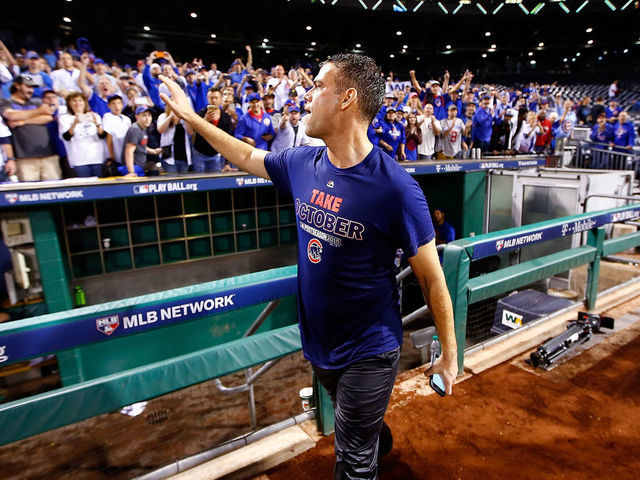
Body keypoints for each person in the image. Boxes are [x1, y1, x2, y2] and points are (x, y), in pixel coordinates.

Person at [158, 53, 457, 480]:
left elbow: (431, 277)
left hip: (369, 349)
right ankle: (376, 441)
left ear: (347, 99)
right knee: (358, 427)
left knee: (352, 460)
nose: (306, 96)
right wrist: (191, 119)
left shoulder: (396, 189)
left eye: (318, 86)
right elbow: (243, 154)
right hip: (320, 347)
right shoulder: (302, 164)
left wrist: (449, 352)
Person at [0, 74, 61, 181]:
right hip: (24, 157)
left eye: (32, 87)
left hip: (48, 155)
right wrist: (38, 112)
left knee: (55, 190)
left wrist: (23, 121)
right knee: (29, 192)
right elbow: (12, 115)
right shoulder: (5, 102)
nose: (31, 90)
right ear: (17, 86)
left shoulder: (36, 102)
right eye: (28, 86)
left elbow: (48, 117)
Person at [58, 92, 106, 177]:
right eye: (74, 101)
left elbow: (102, 135)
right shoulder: (64, 119)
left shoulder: (95, 116)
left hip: (97, 158)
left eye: (80, 100)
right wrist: (74, 124)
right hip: (79, 159)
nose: (77, 103)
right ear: (69, 103)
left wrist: (96, 123)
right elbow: (66, 137)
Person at [122, 105, 162, 176]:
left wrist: (153, 151)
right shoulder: (135, 129)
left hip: (141, 166)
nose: (147, 118)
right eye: (144, 115)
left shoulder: (143, 128)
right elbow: (129, 151)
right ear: (137, 116)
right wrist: (131, 172)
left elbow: (141, 145)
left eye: (149, 116)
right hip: (135, 168)